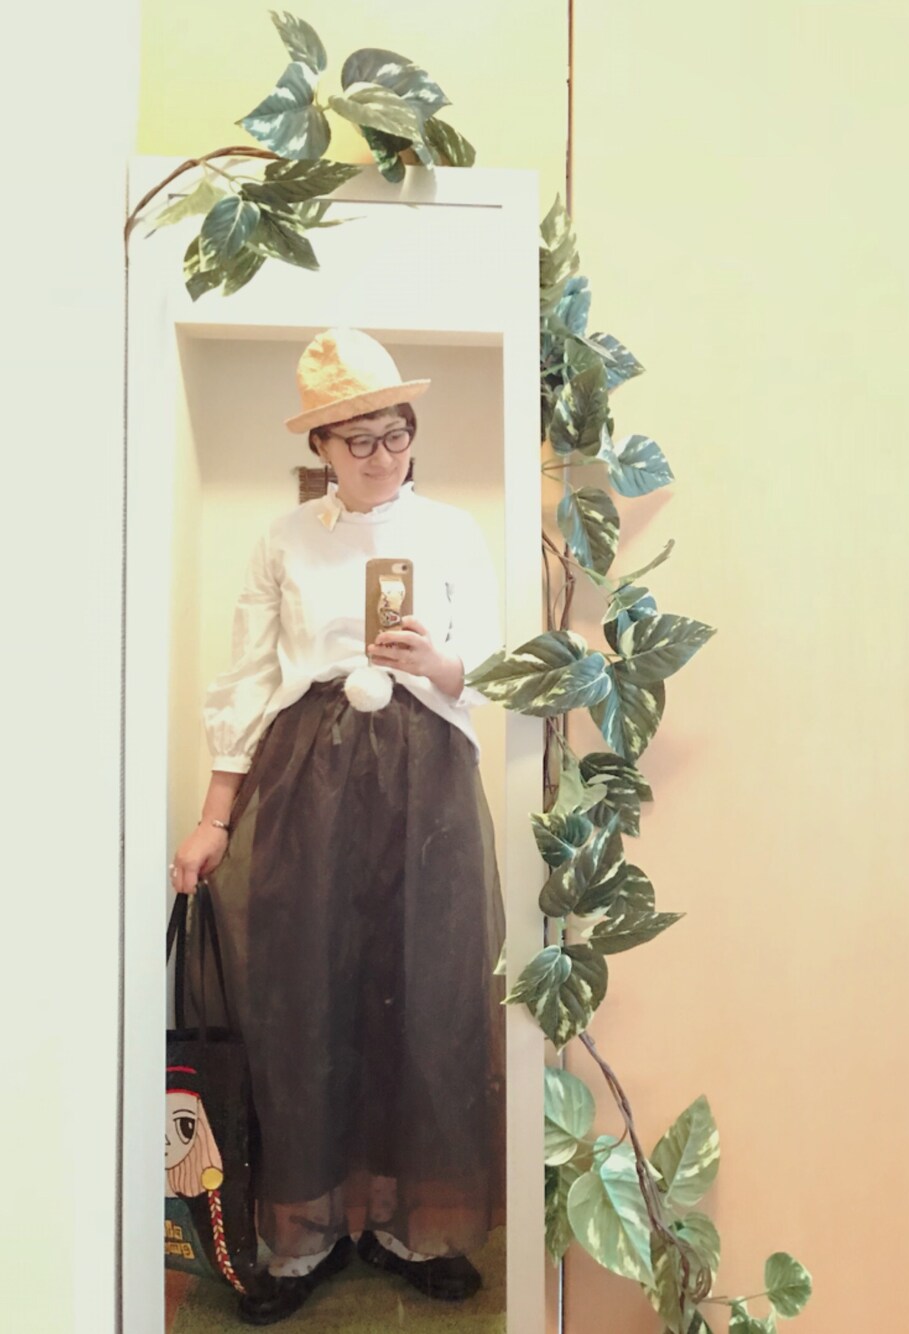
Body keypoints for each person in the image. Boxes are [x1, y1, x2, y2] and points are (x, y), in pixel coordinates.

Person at [169, 327, 506, 1326]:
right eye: (355, 438)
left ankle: (411, 1228)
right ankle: (305, 1233)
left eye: (395, 432)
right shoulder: (283, 538)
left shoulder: (451, 531)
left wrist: (441, 664)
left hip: (428, 780)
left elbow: (493, 664)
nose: (379, 454)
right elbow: (245, 682)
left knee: (426, 992)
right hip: (304, 781)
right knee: (304, 996)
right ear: (319, 445)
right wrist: (214, 817)